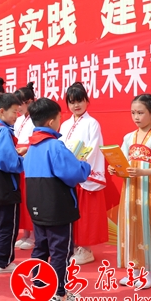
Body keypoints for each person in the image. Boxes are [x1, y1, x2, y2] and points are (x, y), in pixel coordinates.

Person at [24, 98, 91, 301]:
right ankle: (58, 292)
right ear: (52, 121)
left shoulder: (32, 147)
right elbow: (74, 174)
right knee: (60, 250)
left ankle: (39, 285)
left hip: (37, 206)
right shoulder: (55, 146)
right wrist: (84, 165)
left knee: (41, 247)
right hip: (57, 207)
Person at [109, 93, 151, 290]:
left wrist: (142, 171)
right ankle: (134, 272)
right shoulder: (128, 137)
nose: (136, 117)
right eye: (133, 113)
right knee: (131, 228)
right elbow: (121, 161)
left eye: (140, 113)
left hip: (150, 192)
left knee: (149, 227)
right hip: (131, 190)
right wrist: (114, 168)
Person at [59, 82, 107, 265]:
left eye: (79, 101)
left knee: (85, 212)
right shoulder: (65, 124)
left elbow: (93, 148)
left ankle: (86, 249)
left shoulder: (92, 123)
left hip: (82, 171)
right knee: (71, 212)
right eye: (71, 102)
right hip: (68, 173)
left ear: (87, 101)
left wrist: (77, 165)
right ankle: (74, 245)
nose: (76, 105)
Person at [0, 93, 24, 273]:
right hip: (6, 187)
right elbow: (8, 162)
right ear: (2, 111)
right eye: (14, 112)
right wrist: (21, 159)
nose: (17, 116)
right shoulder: (3, 131)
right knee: (8, 226)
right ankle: (4, 261)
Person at [13, 83, 36, 250]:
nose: (18, 108)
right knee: (22, 197)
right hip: (18, 159)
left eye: (21, 104)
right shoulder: (19, 119)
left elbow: (37, 139)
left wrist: (25, 149)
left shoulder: (36, 118)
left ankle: (34, 235)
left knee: (31, 197)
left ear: (30, 102)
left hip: (29, 158)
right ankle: (25, 233)